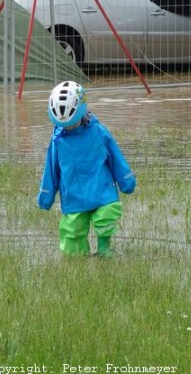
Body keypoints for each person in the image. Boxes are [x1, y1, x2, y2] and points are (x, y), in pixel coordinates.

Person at [37, 81, 136, 257]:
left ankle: (104, 250)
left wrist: (126, 180)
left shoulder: (98, 131)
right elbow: (51, 170)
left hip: (102, 191)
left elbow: (115, 156)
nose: (67, 127)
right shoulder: (58, 141)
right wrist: (46, 196)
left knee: (105, 217)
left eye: (71, 123)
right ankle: (78, 259)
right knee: (72, 230)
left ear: (82, 112)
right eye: (64, 124)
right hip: (74, 197)